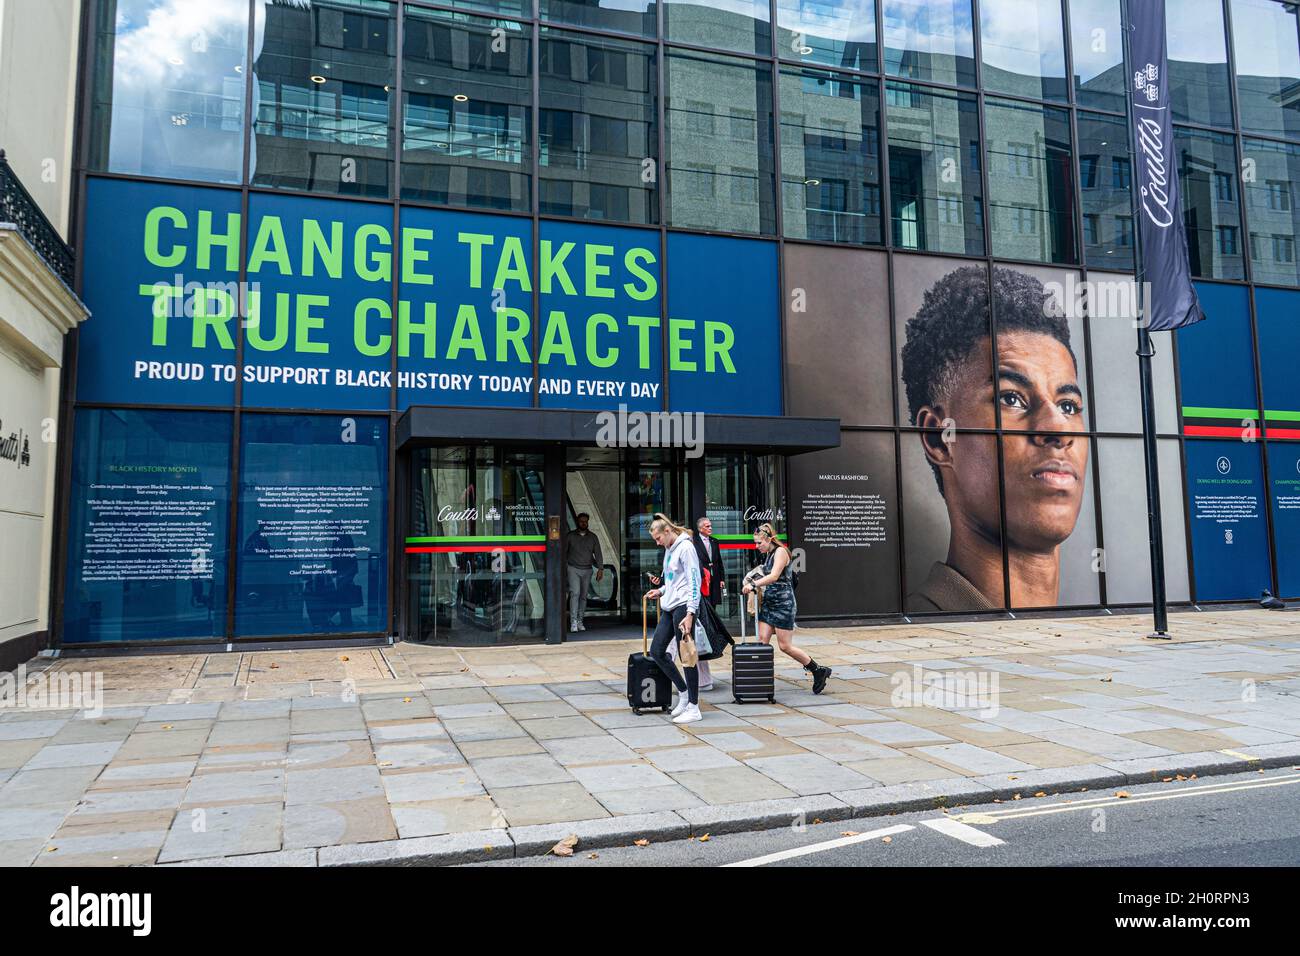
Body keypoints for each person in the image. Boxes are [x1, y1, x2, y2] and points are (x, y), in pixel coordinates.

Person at [900, 266, 1089, 611]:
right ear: (939, 438)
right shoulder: (927, 639)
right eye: (1011, 398)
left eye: (1068, 405)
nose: (1059, 428)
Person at [742, 523, 831, 694]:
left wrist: (753, 584)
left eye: (759, 543)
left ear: (769, 540)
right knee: (762, 642)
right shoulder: (768, 554)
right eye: (755, 543)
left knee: (785, 646)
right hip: (769, 603)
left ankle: (818, 670)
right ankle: (760, 681)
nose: (756, 546)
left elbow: (774, 576)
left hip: (784, 604)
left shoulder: (781, 552)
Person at [644, 513, 704, 724]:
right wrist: (660, 591)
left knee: (687, 655)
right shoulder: (670, 549)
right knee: (657, 651)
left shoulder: (686, 548)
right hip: (670, 605)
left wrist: (690, 613)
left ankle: (694, 707)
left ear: (668, 531)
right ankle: (684, 692)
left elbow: (694, 581)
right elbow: (673, 579)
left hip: (683, 607)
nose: (658, 543)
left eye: (659, 538)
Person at [564, 512, 604, 632]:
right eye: (581, 521)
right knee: (575, 593)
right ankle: (573, 622)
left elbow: (598, 553)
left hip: (587, 570)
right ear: (577, 522)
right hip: (573, 568)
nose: (583, 523)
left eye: (585, 521)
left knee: (583, 596)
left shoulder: (593, 537)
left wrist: (600, 569)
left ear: (588, 522)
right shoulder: (570, 536)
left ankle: (580, 620)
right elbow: (563, 552)